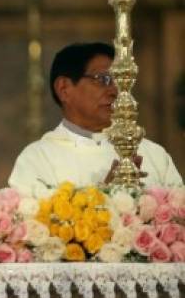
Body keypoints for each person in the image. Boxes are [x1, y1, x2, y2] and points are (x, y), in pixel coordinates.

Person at [9, 42, 182, 197]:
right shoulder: (37, 160)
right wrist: (106, 196)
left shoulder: (153, 155)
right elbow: (33, 227)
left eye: (120, 82)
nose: (115, 91)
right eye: (103, 79)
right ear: (64, 89)